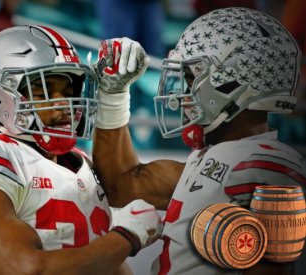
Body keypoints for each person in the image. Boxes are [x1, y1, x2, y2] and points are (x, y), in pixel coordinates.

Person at [92, 7, 306, 275]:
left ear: (233, 84)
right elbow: (121, 185)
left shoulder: (264, 166)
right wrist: (113, 95)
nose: (182, 92)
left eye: (192, 78)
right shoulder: (213, 157)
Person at [0, 25, 162, 275]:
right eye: (43, 92)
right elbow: (23, 270)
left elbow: (105, 264)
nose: (63, 103)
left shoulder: (80, 164)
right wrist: (125, 237)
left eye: (68, 91)